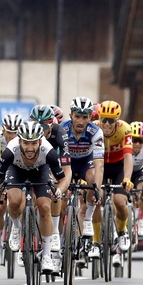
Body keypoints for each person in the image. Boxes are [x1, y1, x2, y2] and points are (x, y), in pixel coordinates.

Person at [0, 121, 68, 273]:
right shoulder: (10, 151)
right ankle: (17, 228)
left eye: (33, 143)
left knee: (45, 207)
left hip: (40, 171)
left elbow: (63, 179)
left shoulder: (48, 151)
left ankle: (46, 255)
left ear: (40, 141)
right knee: (14, 202)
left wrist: (58, 191)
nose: (30, 148)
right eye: (26, 143)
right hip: (16, 170)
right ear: (19, 141)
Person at [61, 97, 104, 260]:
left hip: (86, 162)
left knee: (93, 180)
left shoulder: (96, 132)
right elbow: (56, 161)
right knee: (61, 202)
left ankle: (87, 219)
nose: (80, 121)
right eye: (77, 116)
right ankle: (57, 242)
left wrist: (97, 189)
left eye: (85, 117)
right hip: (67, 162)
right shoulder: (62, 129)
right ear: (71, 115)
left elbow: (99, 165)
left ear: (90, 117)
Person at [30, 104, 71, 255]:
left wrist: (60, 187)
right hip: (34, 162)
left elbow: (66, 170)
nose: (40, 130)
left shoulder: (60, 133)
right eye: (37, 125)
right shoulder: (28, 132)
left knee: (54, 186)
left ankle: (54, 232)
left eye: (44, 126)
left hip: (53, 161)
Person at [95, 100, 133, 266]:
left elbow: (128, 157)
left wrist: (127, 178)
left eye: (112, 121)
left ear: (117, 121)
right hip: (101, 166)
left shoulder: (125, 129)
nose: (107, 124)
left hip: (118, 168)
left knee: (119, 201)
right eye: (104, 119)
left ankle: (122, 230)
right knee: (96, 199)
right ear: (100, 118)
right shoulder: (94, 128)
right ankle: (96, 241)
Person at [0, 113, 23, 266]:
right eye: (9, 132)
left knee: (18, 202)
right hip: (1, 168)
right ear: (3, 130)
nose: (12, 136)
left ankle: (17, 228)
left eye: (15, 133)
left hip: (17, 169)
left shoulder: (24, 140)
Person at [130, 121, 143, 236]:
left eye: (141, 141)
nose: (137, 144)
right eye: (134, 140)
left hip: (139, 172)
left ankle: (141, 217)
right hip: (124, 172)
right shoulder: (124, 146)